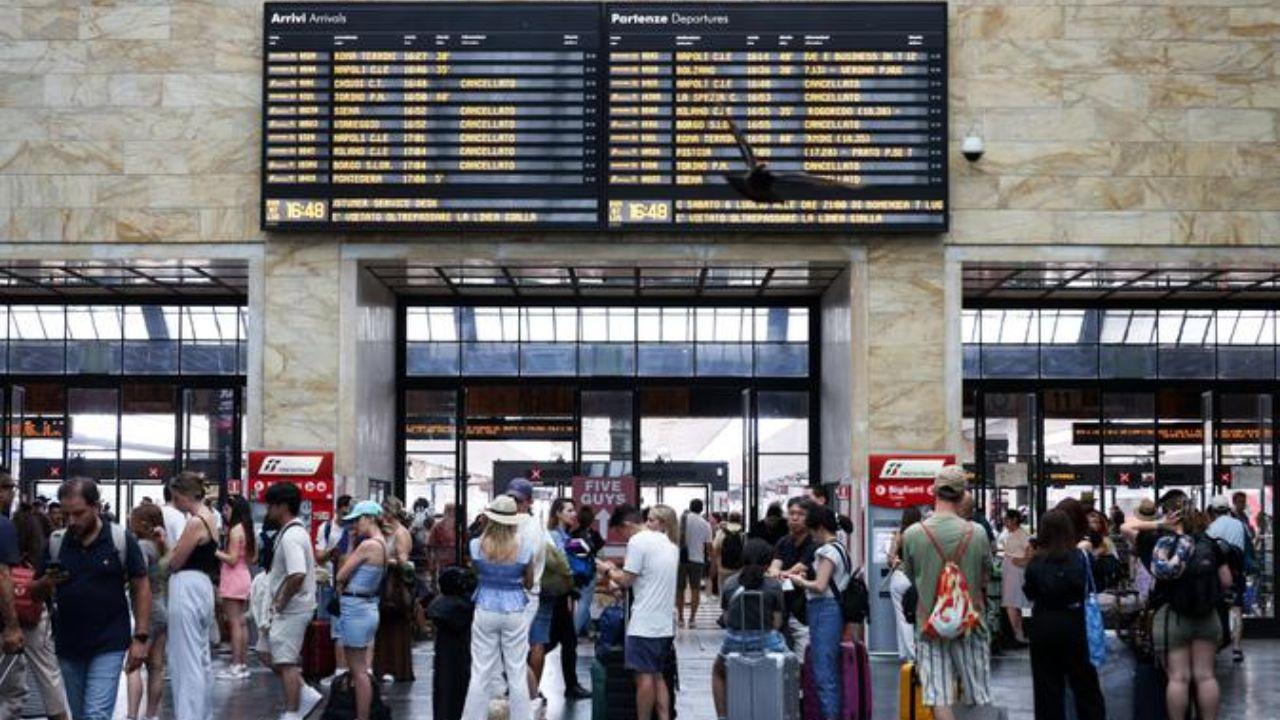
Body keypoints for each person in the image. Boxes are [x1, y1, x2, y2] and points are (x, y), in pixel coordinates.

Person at [34, 478, 150, 720]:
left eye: (79, 513)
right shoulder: (56, 543)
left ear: (96, 507)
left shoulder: (120, 540)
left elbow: (141, 585)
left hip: (109, 642)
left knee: (95, 714)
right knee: (80, 715)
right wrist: (47, 582)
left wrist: (140, 637)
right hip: (68, 644)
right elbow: (34, 591)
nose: (72, 521)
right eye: (67, 515)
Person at [900, 465, 992, 720]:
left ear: (933, 491)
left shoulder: (912, 534)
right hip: (971, 624)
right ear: (963, 495)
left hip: (929, 626)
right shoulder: (978, 533)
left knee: (938, 696)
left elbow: (911, 577)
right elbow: (985, 576)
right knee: (978, 694)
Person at [596, 504, 679, 720]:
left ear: (626, 525)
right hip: (664, 624)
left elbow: (625, 580)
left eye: (620, 532)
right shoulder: (670, 545)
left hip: (644, 624)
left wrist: (606, 569)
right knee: (658, 675)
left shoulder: (638, 541)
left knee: (643, 678)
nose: (622, 538)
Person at [1151, 498, 1231, 720]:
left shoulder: (1165, 543)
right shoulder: (1213, 544)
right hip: (1207, 616)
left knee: (1178, 678)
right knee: (1206, 676)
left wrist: (1160, 525)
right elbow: (1226, 581)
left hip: (1173, 617)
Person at [1022, 508, 1105, 720]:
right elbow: (1096, 584)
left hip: (1043, 624)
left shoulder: (1036, 563)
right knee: (1086, 686)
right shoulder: (1081, 558)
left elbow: (1029, 593)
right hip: (1075, 623)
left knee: (1047, 688)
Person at [459, 495, 536, 720]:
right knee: (516, 669)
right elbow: (529, 583)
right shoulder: (525, 547)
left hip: (485, 606)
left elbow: (477, 573)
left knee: (481, 670)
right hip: (514, 609)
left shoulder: (476, 545)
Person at [259, 481, 323, 720]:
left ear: (282, 506)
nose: (268, 512)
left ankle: (293, 711)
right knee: (266, 652)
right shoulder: (293, 532)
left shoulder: (291, 536)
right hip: (289, 608)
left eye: (271, 506)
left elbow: (297, 573)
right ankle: (304, 692)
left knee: (286, 661)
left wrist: (281, 602)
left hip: (291, 609)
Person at [786, 503, 852, 720]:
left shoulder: (827, 551)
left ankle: (830, 715)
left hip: (825, 610)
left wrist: (799, 581)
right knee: (827, 667)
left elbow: (820, 585)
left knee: (823, 671)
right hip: (833, 610)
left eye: (812, 530)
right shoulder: (841, 548)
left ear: (820, 528)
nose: (811, 535)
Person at [711, 538, 787, 718]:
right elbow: (776, 623)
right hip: (767, 642)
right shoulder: (774, 585)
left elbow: (728, 618)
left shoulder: (730, 583)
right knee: (790, 663)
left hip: (735, 641)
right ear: (768, 563)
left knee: (718, 672)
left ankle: (722, 716)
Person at [166, 471, 220, 720]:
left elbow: (175, 562)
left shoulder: (194, 522)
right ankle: (202, 714)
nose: (174, 502)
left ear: (183, 495)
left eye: (175, 497)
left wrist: (168, 551)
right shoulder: (211, 518)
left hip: (186, 586)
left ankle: (189, 715)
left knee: (184, 659)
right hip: (203, 586)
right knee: (200, 656)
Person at [11, 509, 68, 720]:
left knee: (9, 675)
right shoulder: (46, 545)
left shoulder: (9, 538)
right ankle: (59, 715)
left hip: (7, 611)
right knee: (48, 674)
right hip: (34, 613)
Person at [335, 501, 390, 720]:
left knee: (358, 671)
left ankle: (362, 717)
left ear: (369, 518)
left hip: (356, 607)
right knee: (361, 669)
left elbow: (340, 575)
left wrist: (349, 546)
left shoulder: (368, 546)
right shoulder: (383, 544)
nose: (355, 525)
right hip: (368, 606)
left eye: (358, 520)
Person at [505, 478, 549, 717]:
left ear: (528, 502)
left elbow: (525, 565)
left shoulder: (530, 527)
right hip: (517, 595)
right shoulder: (516, 524)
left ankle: (530, 700)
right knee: (514, 654)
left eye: (518, 500)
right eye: (510, 499)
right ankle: (528, 699)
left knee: (515, 653)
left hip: (523, 595)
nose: (514, 503)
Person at [124, 503, 167, 720]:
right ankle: (151, 715)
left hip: (148, 610)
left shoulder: (141, 546)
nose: (129, 521)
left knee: (133, 665)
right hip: (163, 608)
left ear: (142, 523)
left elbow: (137, 578)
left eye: (132, 518)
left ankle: (132, 715)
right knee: (156, 667)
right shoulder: (160, 545)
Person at [543, 498, 588, 701]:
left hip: (562, 594)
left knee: (564, 641)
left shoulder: (565, 536)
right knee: (554, 641)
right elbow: (562, 564)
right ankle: (520, 675)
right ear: (558, 513)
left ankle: (571, 685)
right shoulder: (553, 536)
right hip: (555, 596)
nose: (573, 514)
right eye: (569, 510)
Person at [767, 497, 816, 657]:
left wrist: (781, 574)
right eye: (791, 513)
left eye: (800, 514)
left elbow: (799, 568)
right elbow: (774, 568)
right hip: (783, 610)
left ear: (810, 517)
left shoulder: (815, 543)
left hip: (805, 612)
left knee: (804, 660)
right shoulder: (784, 542)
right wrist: (780, 573)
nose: (794, 518)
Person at [374, 496, 415, 682]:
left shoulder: (400, 533)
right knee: (385, 629)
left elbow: (403, 561)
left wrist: (381, 559)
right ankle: (387, 666)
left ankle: (395, 667)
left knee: (394, 628)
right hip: (386, 584)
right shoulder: (390, 531)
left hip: (395, 585)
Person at [1206, 494, 1248, 663]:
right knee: (1237, 609)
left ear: (1213, 510)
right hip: (1237, 572)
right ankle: (1237, 648)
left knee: (1217, 609)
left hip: (1219, 573)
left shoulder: (1211, 529)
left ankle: (1217, 645)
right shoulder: (1239, 524)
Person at [315, 494, 353, 678]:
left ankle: (342, 668)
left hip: (347, 585)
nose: (346, 519)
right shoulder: (327, 528)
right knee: (330, 626)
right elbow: (319, 556)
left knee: (342, 628)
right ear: (337, 510)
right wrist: (332, 552)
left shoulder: (354, 531)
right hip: (329, 581)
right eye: (344, 514)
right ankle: (332, 665)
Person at [0, 488, 26, 718]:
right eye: (9, 488)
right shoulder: (3, 526)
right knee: (11, 693)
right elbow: (3, 576)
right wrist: (12, 625)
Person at [887, 506, 923, 662]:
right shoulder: (923, 535)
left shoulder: (899, 535)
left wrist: (894, 561)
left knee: (902, 618)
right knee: (919, 615)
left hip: (900, 578)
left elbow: (890, 560)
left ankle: (908, 653)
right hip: (918, 579)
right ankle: (914, 651)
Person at [677, 498, 712, 628]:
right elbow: (708, 546)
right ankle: (692, 619)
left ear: (690, 507)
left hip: (680, 560)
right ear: (701, 509)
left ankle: (680, 618)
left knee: (680, 589)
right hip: (697, 560)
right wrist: (711, 561)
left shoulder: (681, 520)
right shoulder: (705, 524)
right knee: (695, 590)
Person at [997, 509, 1030, 645]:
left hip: (1016, 569)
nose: (1005, 522)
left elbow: (1029, 550)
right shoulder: (1008, 534)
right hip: (1009, 567)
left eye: (1007, 520)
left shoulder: (1022, 534)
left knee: (1012, 602)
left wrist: (1022, 561)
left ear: (1015, 520)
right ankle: (1017, 632)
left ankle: (1016, 633)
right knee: (1013, 602)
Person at [571, 504, 605, 636]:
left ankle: (588, 629)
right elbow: (601, 555)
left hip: (575, 573)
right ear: (592, 520)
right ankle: (574, 633)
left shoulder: (573, 535)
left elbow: (571, 555)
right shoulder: (595, 536)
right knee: (585, 602)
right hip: (590, 573)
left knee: (581, 601)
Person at [711, 511, 745, 602]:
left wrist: (714, 565)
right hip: (739, 568)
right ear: (740, 520)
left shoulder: (721, 532)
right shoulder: (743, 532)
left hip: (723, 568)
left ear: (729, 520)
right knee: (738, 590)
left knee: (723, 590)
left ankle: (725, 611)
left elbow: (715, 548)